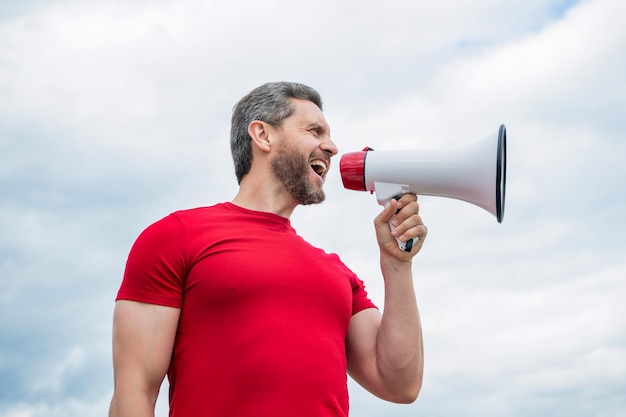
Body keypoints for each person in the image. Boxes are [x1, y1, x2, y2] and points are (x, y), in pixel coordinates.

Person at [108, 81, 428, 417]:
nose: (332, 147)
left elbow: (400, 384)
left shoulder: (338, 274)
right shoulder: (176, 237)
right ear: (263, 135)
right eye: (314, 130)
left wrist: (397, 265)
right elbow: (135, 392)